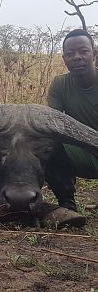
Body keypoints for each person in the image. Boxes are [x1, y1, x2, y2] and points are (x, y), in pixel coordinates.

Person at [46, 28, 98, 215]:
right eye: (70, 54)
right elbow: (52, 125)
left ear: (94, 53)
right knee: (46, 145)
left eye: (83, 51)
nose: (77, 57)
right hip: (81, 151)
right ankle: (67, 206)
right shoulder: (60, 84)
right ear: (64, 59)